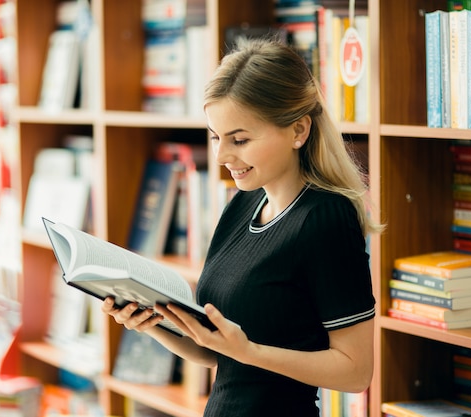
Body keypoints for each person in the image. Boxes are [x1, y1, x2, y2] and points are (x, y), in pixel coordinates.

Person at [102, 37, 382, 417]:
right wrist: (152, 323)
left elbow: (355, 371)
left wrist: (247, 351)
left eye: (240, 139)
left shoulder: (325, 219)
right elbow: (216, 353)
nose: (221, 156)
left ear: (298, 130)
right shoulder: (244, 203)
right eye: (216, 137)